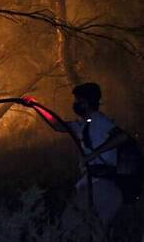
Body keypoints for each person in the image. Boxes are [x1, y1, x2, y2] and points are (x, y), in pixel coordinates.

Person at [29, 82, 131, 224]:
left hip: (102, 186)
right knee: (84, 231)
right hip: (92, 184)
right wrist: (36, 105)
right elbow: (57, 125)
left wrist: (92, 155)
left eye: (78, 100)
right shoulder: (83, 125)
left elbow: (122, 136)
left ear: (87, 102)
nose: (75, 104)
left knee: (75, 228)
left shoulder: (99, 120)